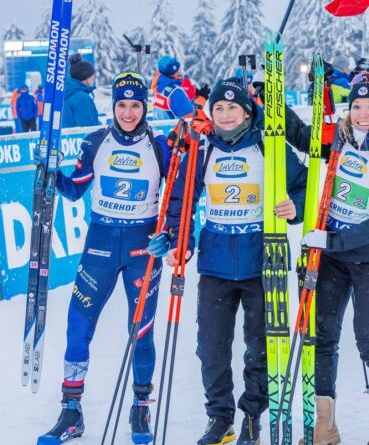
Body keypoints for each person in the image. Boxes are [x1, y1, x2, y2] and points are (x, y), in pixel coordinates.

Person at [37, 72, 190, 445]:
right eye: (121, 104)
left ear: (144, 107)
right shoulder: (95, 142)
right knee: (78, 325)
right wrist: (51, 175)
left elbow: (178, 199)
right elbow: (75, 190)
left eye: (135, 105)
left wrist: (167, 235)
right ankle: (71, 411)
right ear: (114, 106)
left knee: (140, 332)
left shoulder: (160, 146)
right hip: (100, 245)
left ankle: (141, 406)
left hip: (142, 248)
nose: (128, 112)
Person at [284, 72, 369, 445]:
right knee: (322, 337)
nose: (362, 113)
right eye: (356, 106)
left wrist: (335, 240)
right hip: (330, 256)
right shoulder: (339, 141)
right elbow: (299, 135)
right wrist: (268, 99)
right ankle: (325, 425)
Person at [181, 78, 307, 445]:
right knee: (211, 347)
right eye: (218, 108)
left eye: (232, 107)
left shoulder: (269, 147)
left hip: (262, 260)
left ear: (247, 112)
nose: (224, 114)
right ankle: (219, 419)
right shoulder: (204, 149)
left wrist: (294, 206)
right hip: (216, 263)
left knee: (261, 344)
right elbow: (184, 198)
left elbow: (303, 184)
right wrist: (180, 239)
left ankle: (252, 415)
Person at [151, 55, 196, 120]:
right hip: (175, 129)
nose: (180, 69)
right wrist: (201, 100)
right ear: (173, 69)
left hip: (162, 129)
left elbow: (173, 107)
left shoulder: (160, 87)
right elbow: (190, 119)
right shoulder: (175, 92)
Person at [62, 53, 100, 128]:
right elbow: (88, 128)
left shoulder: (67, 94)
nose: (93, 77)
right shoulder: (82, 99)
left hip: (69, 139)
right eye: (92, 74)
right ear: (85, 76)